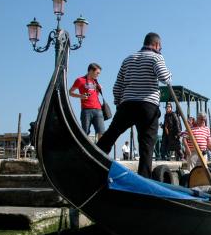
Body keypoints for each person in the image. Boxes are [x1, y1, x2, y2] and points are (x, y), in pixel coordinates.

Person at [97, 32, 172, 178]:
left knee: (110, 136)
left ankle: (94, 158)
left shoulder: (128, 59)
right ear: (156, 45)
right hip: (148, 106)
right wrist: (169, 73)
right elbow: (165, 78)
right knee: (146, 145)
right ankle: (144, 179)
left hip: (127, 105)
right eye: (160, 48)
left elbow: (117, 87)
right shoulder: (156, 57)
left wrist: (119, 104)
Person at [69, 63, 105, 139]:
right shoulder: (80, 80)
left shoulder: (95, 82)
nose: (98, 75)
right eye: (97, 73)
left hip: (98, 109)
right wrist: (80, 96)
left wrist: (99, 89)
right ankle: (84, 149)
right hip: (86, 110)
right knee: (85, 132)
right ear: (91, 71)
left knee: (101, 132)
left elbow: (95, 95)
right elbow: (70, 92)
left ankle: (101, 149)